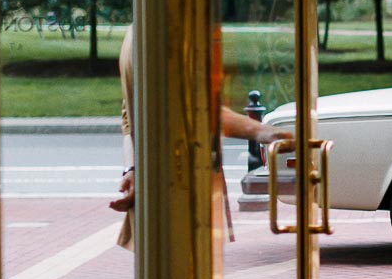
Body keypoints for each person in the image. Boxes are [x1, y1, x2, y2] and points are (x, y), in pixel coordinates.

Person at [110, 29, 292, 249]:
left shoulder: (137, 30)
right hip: (180, 185)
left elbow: (128, 117)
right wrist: (267, 133)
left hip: (156, 186)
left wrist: (131, 170)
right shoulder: (166, 34)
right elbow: (199, 111)